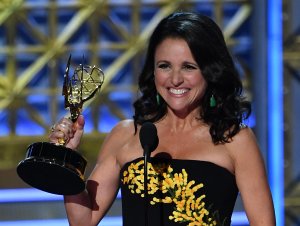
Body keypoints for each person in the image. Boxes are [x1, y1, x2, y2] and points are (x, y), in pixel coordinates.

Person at [49, 12, 276, 226]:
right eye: (164, 66)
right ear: (153, 71)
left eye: (188, 67)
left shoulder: (235, 139)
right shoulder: (126, 135)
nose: (175, 79)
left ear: (210, 71)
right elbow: (83, 220)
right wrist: (67, 159)